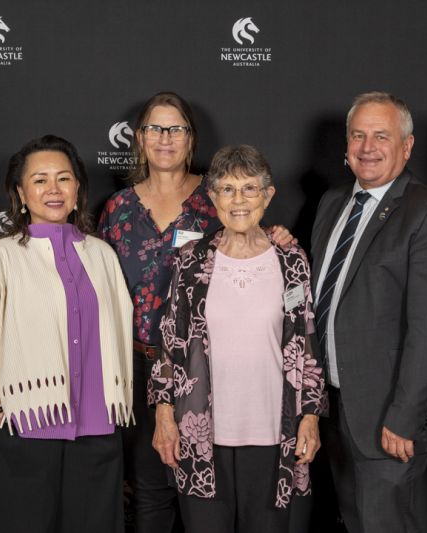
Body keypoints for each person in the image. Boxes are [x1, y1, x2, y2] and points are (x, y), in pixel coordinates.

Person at [98, 92, 295, 531]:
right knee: (150, 491)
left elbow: (252, 238)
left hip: (203, 371)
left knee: (210, 495)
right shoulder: (118, 209)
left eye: (177, 129)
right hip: (137, 368)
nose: (165, 138)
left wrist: (278, 234)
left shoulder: (216, 196)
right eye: (155, 128)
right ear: (139, 138)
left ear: (191, 139)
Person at [310, 92, 427, 533]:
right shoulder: (333, 203)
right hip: (335, 405)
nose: (367, 147)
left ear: (407, 145)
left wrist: (404, 417)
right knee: (354, 519)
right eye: (358, 135)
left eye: (381, 136)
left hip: (388, 416)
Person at [149, 144, 326, 533]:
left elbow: (306, 345)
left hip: (274, 434)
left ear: (268, 195)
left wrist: (311, 417)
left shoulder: (291, 261)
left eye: (249, 188)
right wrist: (164, 414)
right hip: (200, 435)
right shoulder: (191, 260)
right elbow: (171, 343)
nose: (239, 200)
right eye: (227, 189)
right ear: (213, 198)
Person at [0, 135, 134, 533]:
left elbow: (120, 330)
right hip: (27, 422)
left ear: (78, 189)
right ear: (21, 193)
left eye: (64, 178)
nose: (53, 189)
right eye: (40, 180)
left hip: (97, 425)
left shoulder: (102, 255)